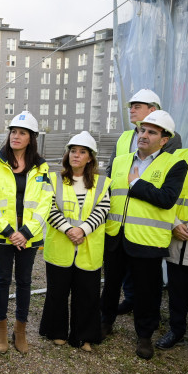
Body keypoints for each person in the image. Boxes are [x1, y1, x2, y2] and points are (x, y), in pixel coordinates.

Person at [101, 110, 187, 360]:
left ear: (164, 139)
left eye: (152, 132)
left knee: (147, 292)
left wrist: (137, 185)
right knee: (111, 286)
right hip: (116, 235)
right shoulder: (121, 161)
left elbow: (167, 200)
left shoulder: (174, 164)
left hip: (147, 241)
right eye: (142, 130)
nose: (144, 135)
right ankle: (105, 323)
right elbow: (108, 195)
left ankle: (145, 336)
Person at [106, 89, 182, 315]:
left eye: (137, 106)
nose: (132, 109)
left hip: (147, 230)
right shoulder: (124, 138)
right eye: (142, 130)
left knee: (147, 285)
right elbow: (112, 174)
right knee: (113, 281)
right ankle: (116, 312)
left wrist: (136, 183)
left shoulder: (171, 146)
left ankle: (144, 326)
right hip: (119, 228)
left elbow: (167, 189)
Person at [0, 111, 53, 354]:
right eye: (13, 131)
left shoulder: (42, 166)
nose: (16, 136)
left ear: (31, 138)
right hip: (2, 233)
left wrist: (25, 232)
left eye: (22, 133)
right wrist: (10, 231)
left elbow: (45, 203)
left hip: (28, 235)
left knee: (24, 281)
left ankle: (19, 330)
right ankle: (1, 328)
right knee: (3, 280)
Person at [39, 131, 111, 352]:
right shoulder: (53, 179)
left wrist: (83, 230)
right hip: (60, 247)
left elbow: (104, 208)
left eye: (82, 152)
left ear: (90, 157)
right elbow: (48, 208)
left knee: (87, 295)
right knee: (57, 293)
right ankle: (56, 331)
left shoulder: (102, 182)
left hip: (88, 249)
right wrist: (69, 229)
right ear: (67, 154)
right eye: (73, 151)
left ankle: (83, 335)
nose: (76, 155)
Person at [156, 116, 188, 352]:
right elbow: (164, 191)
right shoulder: (179, 157)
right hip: (176, 237)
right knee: (177, 291)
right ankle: (176, 330)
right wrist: (173, 223)